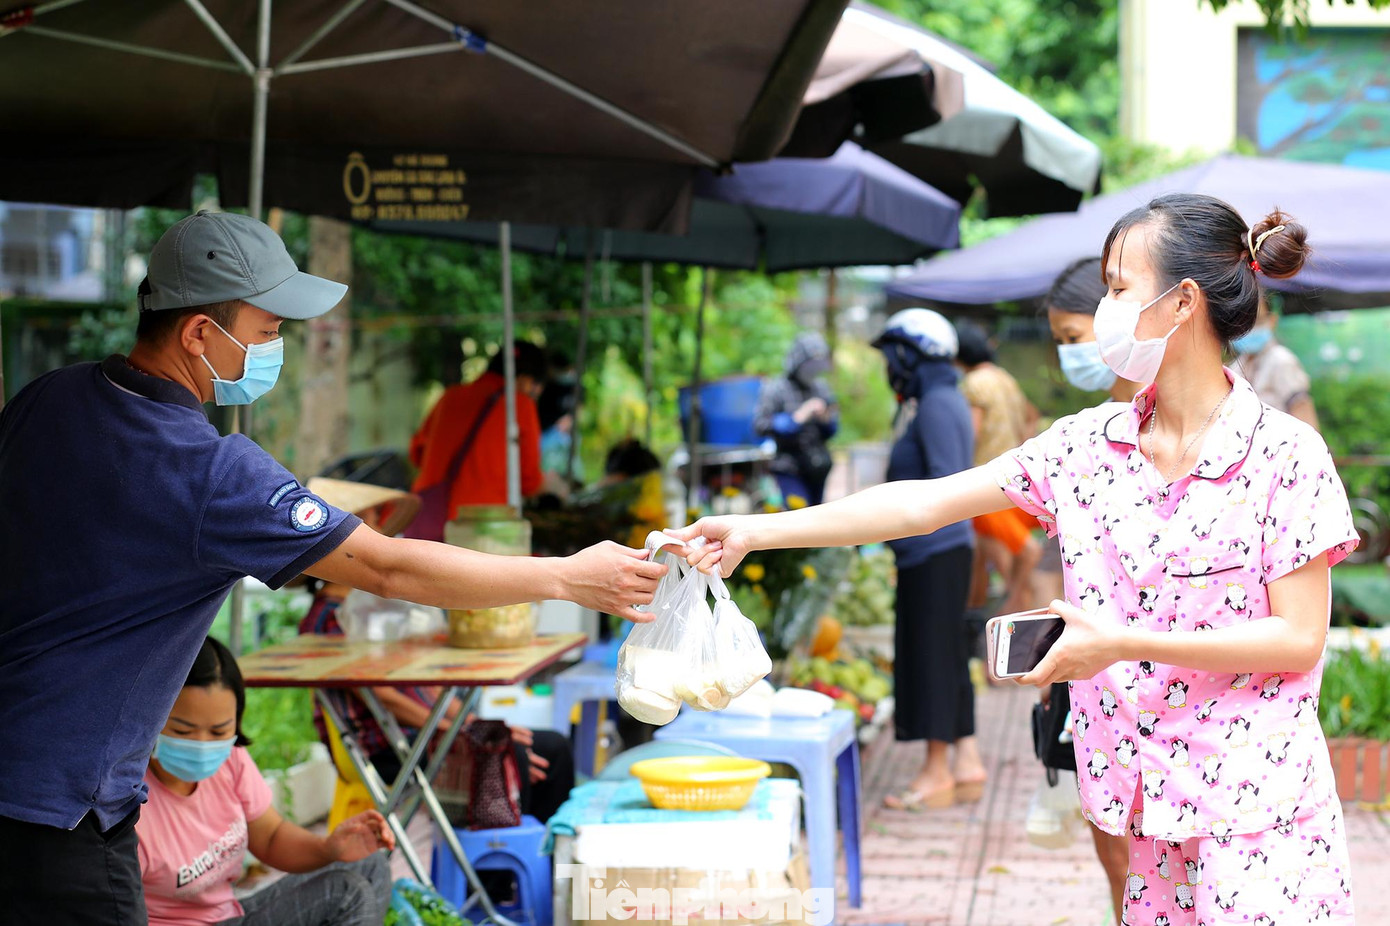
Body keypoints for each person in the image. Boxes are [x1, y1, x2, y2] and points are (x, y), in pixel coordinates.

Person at [675, 196, 1358, 925]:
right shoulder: (1084, 448)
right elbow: (921, 504)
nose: (1105, 309)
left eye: (1119, 287)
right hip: (1145, 814)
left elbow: (1296, 638)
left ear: (1182, 301)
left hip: (1260, 816)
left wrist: (1120, 645)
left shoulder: (1285, 455)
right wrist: (756, 532)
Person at [0, 211, 664, 924]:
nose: (277, 349)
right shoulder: (208, 470)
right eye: (265, 332)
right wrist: (565, 576)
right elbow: (389, 569)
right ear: (197, 333)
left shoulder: (49, 398)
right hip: (63, 815)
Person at [297, 476, 574, 822]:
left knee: (552, 747)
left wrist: (471, 722)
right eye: (362, 519)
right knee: (511, 754)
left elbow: (422, 686)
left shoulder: (376, 606)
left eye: (373, 517)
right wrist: (464, 729)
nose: (375, 527)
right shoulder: (322, 621)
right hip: (391, 746)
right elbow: (384, 696)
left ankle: (544, 855)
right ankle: (496, 869)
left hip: (425, 733)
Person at [137, 637, 393, 926]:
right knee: (345, 893)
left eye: (219, 731)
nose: (203, 744)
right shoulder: (128, 803)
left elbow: (271, 838)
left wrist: (330, 848)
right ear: (151, 718)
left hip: (231, 915)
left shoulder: (230, 760)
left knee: (369, 864)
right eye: (184, 731)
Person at [1043, 256, 1141, 920]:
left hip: (1197, 715)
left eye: (1076, 338)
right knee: (1121, 867)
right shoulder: (1080, 442)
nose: (1069, 356)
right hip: (1101, 697)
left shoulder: (1265, 446)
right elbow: (926, 504)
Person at [871, 308, 985, 810]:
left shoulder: (938, 403)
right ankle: (966, 759)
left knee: (933, 659)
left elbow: (943, 486)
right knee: (949, 656)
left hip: (934, 552)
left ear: (911, 355)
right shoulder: (941, 397)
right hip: (941, 551)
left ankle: (936, 772)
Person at [408, 340, 548, 537]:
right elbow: (529, 482)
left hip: (429, 517)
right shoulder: (520, 405)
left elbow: (416, 454)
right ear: (526, 380)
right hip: (482, 528)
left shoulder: (450, 396)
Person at [955, 319, 1043, 617]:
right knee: (984, 556)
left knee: (1008, 567)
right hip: (1013, 476)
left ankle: (1015, 622)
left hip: (985, 480)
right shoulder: (1005, 379)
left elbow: (972, 433)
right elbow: (1032, 415)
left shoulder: (974, 384)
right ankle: (979, 615)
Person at [753, 331, 839, 507]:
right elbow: (760, 425)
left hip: (817, 467)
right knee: (797, 513)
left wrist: (825, 419)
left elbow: (833, 429)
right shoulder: (776, 388)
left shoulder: (821, 388)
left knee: (817, 519)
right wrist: (798, 418)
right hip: (789, 467)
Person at [1235, 290, 1320, 429]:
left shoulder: (1281, 361)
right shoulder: (1237, 366)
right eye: (1242, 324)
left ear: (1272, 321)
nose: (1249, 330)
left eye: (1257, 322)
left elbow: (1305, 416)